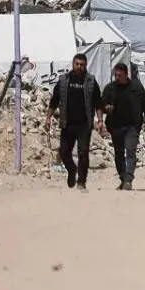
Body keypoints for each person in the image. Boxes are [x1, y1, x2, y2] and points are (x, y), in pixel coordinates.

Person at [47, 54, 103, 191]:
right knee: (64, 152)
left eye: (82, 64)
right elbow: (54, 100)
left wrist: (100, 120)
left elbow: (98, 103)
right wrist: (47, 118)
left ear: (86, 65)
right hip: (67, 123)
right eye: (77, 64)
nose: (79, 67)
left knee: (83, 152)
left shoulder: (90, 81)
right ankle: (72, 170)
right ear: (72, 64)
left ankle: (81, 182)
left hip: (84, 124)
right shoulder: (64, 80)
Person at [100, 62, 145, 191]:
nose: (117, 78)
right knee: (119, 154)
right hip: (115, 126)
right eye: (116, 75)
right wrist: (106, 108)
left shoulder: (136, 87)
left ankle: (129, 179)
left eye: (120, 75)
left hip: (132, 125)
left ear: (126, 74)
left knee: (130, 151)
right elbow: (101, 104)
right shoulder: (110, 88)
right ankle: (123, 178)